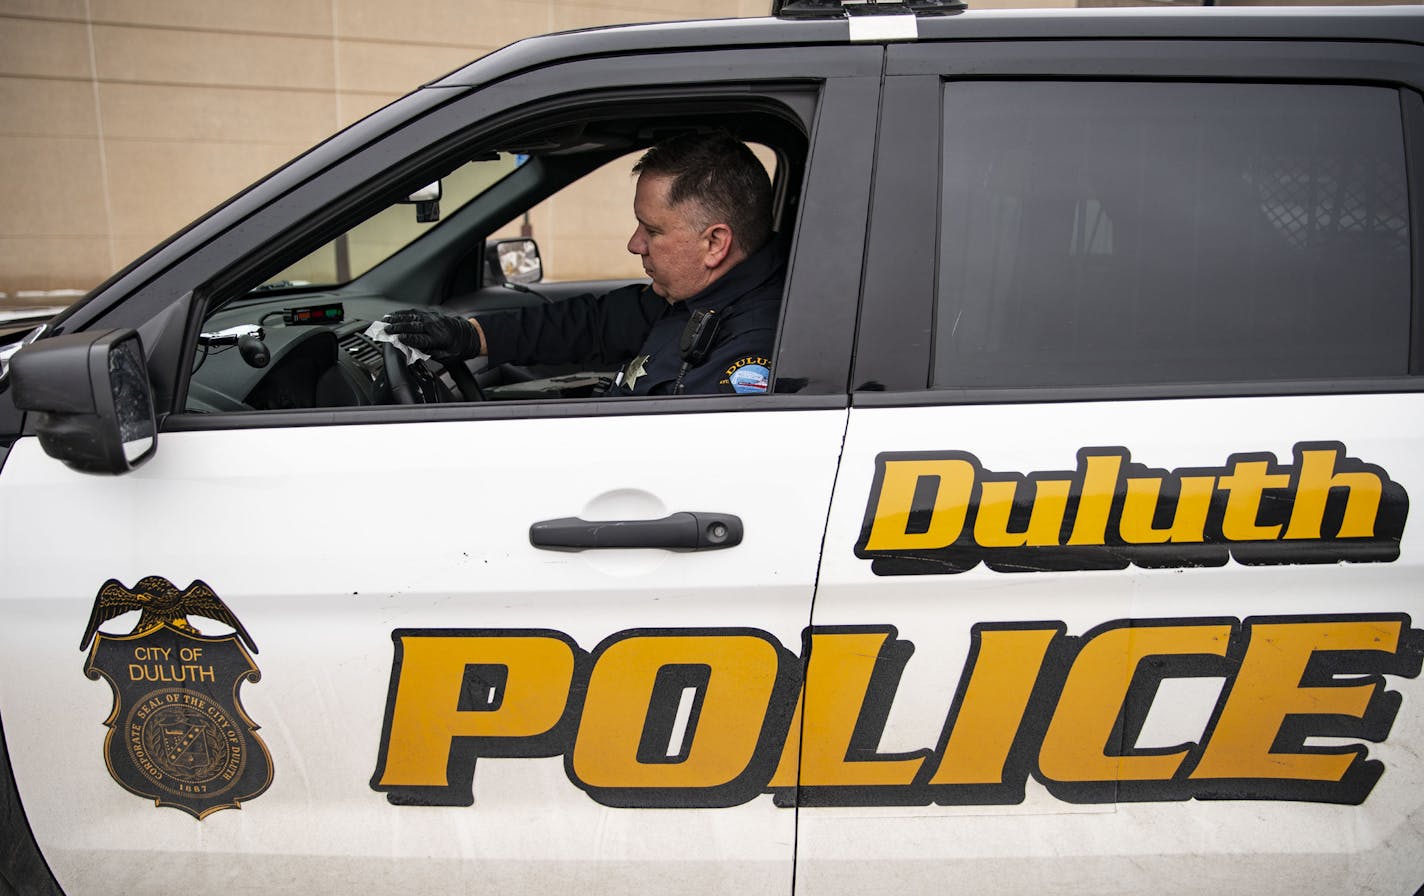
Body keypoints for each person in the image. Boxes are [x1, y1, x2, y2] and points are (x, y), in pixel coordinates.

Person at [383, 131, 782, 396]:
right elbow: (592, 323)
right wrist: (469, 335)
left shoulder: (752, 350)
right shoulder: (691, 297)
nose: (634, 244)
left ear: (715, 242)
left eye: (652, 231)